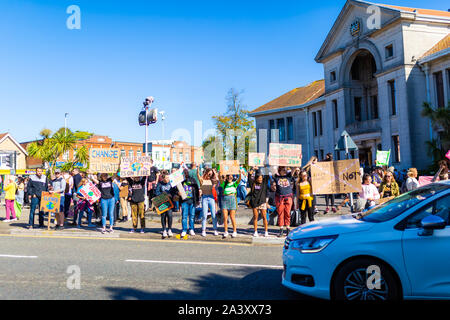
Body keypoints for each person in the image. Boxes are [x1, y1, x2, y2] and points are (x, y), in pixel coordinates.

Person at [273, 166, 295, 237]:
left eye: (285, 169)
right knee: (280, 213)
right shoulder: (277, 177)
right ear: (279, 171)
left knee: (288, 213)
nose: (285, 171)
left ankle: (288, 229)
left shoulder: (288, 176)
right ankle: (281, 229)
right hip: (279, 197)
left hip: (288, 197)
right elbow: (272, 170)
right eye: (283, 170)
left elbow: (293, 169)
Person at [247, 169, 270, 237]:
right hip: (254, 202)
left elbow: (267, 174)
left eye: (261, 178)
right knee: (255, 217)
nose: (260, 179)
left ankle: (266, 231)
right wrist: (252, 170)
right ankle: (255, 231)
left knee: (264, 217)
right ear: (256, 178)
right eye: (259, 178)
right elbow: (249, 177)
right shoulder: (253, 184)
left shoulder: (264, 183)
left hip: (262, 202)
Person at [197, 168, 219, 237]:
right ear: (206, 173)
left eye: (210, 174)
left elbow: (218, 181)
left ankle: (215, 229)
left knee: (213, 214)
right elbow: (198, 175)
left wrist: (214, 172)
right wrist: (198, 168)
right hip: (204, 197)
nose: (209, 175)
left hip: (211, 197)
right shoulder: (202, 180)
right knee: (204, 215)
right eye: (208, 173)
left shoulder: (212, 180)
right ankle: (203, 230)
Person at [219, 173, 240, 238]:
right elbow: (220, 179)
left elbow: (239, 179)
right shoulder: (223, 184)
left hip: (232, 199)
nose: (229, 178)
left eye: (231, 177)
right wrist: (220, 173)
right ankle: (226, 231)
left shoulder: (234, 184)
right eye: (228, 176)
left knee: (232, 216)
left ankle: (234, 231)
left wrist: (239, 173)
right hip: (225, 200)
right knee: (225, 217)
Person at [179, 169, 200, 237]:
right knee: (184, 216)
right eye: (184, 173)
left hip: (192, 200)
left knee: (192, 216)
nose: (186, 174)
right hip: (184, 201)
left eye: (186, 173)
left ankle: (191, 229)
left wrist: (197, 200)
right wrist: (178, 193)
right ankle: (184, 230)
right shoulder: (181, 181)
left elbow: (196, 190)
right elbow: (177, 190)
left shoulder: (193, 180)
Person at [155, 174, 176, 238]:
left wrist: (171, 195)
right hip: (162, 202)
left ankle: (169, 229)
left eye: (168, 178)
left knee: (170, 215)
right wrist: (164, 194)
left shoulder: (171, 183)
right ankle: (164, 230)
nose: (168, 179)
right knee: (163, 216)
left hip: (170, 202)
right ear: (163, 179)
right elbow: (156, 192)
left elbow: (174, 191)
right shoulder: (160, 184)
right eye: (166, 178)